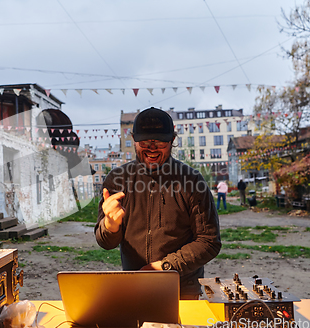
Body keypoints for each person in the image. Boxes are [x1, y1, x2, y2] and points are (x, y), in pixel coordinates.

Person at [95, 107, 221, 300]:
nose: (152, 148)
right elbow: (105, 242)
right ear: (134, 141)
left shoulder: (192, 181)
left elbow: (209, 241)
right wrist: (110, 226)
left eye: (160, 142)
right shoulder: (117, 179)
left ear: (172, 141)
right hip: (135, 284)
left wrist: (165, 267)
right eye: (145, 141)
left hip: (182, 288)